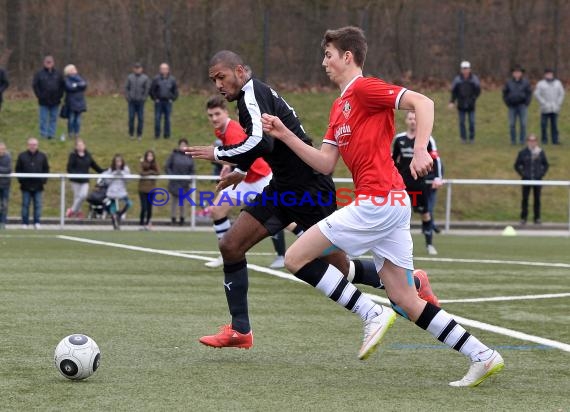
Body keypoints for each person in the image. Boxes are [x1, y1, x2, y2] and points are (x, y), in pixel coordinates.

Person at [261, 26, 503, 387]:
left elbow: (424, 103)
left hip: (378, 202)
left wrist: (421, 149)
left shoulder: (364, 88)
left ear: (347, 56)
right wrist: (284, 134)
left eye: (328, 54)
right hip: (387, 204)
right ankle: (483, 355)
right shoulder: (339, 105)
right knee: (406, 300)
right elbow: (325, 163)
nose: (323, 62)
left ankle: (369, 311)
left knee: (296, 258)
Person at [186, 50, 429, 361]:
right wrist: (240, 172)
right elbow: (267, 145)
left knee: (339, 269)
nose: (218, 84)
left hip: (310, 190)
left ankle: (409, 283)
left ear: (239, 71)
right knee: (231, 246)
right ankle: (240, 330)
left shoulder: (251, 93)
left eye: (221, 77)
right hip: (284, 190)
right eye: (213, 80)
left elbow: (261, 142)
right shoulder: (253, 95)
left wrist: (219, 153)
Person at [202, 95, 289, 269]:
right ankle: (226, 254)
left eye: (217, 114)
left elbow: (243, 155)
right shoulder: (221, 130)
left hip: (260, 177)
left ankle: (286, 255)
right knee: (217, 209)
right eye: (210, 115)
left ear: (226, 113)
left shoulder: (232, 130)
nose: (214, 118)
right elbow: (233, 155)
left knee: (287, 216)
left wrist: (223, 160)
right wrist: (227, 166)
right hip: (245, 178)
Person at [393, 111, 442, 255]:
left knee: (425, 213)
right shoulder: (399, 139)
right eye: (410, 118)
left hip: (420, 183)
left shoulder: (427, 139)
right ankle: (396, 246)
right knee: (396, 214)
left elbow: (435, 159)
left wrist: (437, 177)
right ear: (406, 121)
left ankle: (429, 245)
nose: (413, 121)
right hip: (402, 184)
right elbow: (393, 160)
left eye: (415, 118)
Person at [15, 137, 49, 229]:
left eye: (34, 145)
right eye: (31, 144)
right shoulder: (22, 156)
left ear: (37, 145)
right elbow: (18, 169)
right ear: (28, 145)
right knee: (25, 205)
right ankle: (25, 223)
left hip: (38, 185)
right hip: (25, 185)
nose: (33, 146)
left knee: (38, 205)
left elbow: (46, 169)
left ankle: (37, 222)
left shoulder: (42, 156)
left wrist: (44, 180)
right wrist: (21, 180)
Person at [514, 134, 549, 225]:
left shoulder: (540, 152)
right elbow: (517, 165)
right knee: (525, 199)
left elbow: (546, 165)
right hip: (526, 179)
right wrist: (523, 174)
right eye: (530, 140)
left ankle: (537, 218)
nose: (532, 142)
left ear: (536, 142)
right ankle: (523, 218)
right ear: (527, 142)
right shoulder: (523, 152)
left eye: (534, 141)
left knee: (537, 199)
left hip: (537, 179)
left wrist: (541, 174)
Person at [66, 138, 104, 218]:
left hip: (85, 180)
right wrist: (75, 174)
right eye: (78, 145)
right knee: (77, 197)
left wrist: (103, 171)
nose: (80, 147)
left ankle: (72, 210)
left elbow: (94, 165)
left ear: (84, 146)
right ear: (76, 147)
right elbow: (69, 168)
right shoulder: (73, 155)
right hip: (75, 180)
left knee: (83, 195)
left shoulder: (88, 155)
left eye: (82, 145)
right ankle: (78, 212)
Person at [32, 56, 65, 139]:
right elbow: (35, 85)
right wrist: (39, 96)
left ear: (53, 63)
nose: (48, 63)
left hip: (55, 100)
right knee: (43, 119)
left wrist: (60, 95)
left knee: (53, 119)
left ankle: (51, 135)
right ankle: (43, 134)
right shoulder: (39, 74)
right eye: (47, 62)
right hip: (43, 101)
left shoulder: (58, 73)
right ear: (44, 63)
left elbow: (62, 85)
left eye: (50, 62)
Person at [448, 61, 481, 143]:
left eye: (467, 68)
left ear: (470, 69)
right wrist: (452, 101)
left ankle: (472, 138)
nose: (465, 70)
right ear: (461, 70)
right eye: (463, 69)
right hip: (461, 104)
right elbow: (454, 92)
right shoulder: (457, 80)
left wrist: (473, 98)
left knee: (472, 122)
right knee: (462, 122)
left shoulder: (474, 79)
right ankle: (463, 138)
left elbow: (478, 90)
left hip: (471, 105)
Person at [165, 138, 194, 226]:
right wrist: (172, 176)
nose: (183, 147)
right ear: (179, 146)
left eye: (185, 145)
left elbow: (192, 170)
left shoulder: (189, 156)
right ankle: (173, 218)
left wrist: (189, 179)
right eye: (181, 145)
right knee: (174, 201)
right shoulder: (173, 155)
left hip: (184, 183)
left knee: (183, 202)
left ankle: (182, 218)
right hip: (175, 182)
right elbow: (167, 167)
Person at [503, 65, 532, 145]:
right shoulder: (508, 82)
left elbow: (529, 93)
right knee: (512, 124)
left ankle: (522, 141)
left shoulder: (526, 82)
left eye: (518, 72)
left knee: (523, 124)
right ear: (513, 73)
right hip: (512, 106)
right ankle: (513, 141)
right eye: (515, 72)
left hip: (522, 106)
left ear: (521, 73)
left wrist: (527, 103)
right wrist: (507, 102)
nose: (517, 74)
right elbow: (504, 93)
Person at [534, 68, 565, 145]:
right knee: (544, 125)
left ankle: (555, 140)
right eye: (547, 74)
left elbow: (561, 93)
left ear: (552, 74)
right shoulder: (541, 83)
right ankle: (544, 140)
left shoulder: (558, 83)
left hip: (555, 108)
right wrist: (543, 103)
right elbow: (537, 94)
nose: (549, 75)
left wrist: (558, 103)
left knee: (554, 125)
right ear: (545, 75)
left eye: (550, 74)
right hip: (544, 108)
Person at [101, 154, 132, 230]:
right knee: (113, 208)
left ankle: (120, 215)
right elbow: (107, 182)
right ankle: (115, 224)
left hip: (122, 192)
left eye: (120, 161)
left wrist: (122, 174)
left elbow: (129, 180)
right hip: (112, 192)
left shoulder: (126, 169)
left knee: (129, 203)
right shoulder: (110, 170)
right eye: (117, 161)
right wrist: (113, 174)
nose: (118, 163)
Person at [150, 63, 178, 139]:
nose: (164, 70)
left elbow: (175, 91)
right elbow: (152, 90)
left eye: (165, 69)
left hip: (168, 102)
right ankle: (157, 135)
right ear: (160, 70)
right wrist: (155, 99)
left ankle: (167, 135)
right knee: (157, 119)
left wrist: (172, 99)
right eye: (162, 69)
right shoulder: (156, 79)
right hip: (158, 102)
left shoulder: (172, 79)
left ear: (168, 70)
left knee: (167, 119)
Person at [125, 62, 150, 140]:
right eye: (136, 68)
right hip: (131, 101)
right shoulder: (130, 77)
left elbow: (147, 89)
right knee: (131, 118)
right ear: (133, 69)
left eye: (138, 68)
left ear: (141, 69)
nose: (137, 70)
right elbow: (126, 88)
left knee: (140, 119)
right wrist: (128, 97)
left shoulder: (145, 78)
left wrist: (144, 98)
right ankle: (131, 134)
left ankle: (139, 135)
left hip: (140, 102)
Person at [63, 64, 87, 139]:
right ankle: (70, 133)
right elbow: (69, 87)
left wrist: (75, 85)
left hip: (80, 101)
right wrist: (78, 86)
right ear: (69, 71)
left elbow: (84, 85)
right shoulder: (67, 79)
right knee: (71, 119)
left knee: (78, 119)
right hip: (71, 101)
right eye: (73, 69)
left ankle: (77, 133)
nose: (75, 69)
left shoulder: (79, 78)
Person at [138, 150, 159, 230]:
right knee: (144, 207)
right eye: (148, 156)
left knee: (150, 208)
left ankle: (148, 223)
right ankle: (141, 222)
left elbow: (158, 172)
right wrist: (150, 172)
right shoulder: (142, 163)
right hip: (142, 189)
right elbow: (141, 173)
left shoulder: (154, 164)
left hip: (152, 190)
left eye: (151, 156)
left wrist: (151, 171)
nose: (150, 157)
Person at [0, 142, 11, 229]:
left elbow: (8, 169)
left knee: (4, 204)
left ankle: (3, 222)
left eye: (3, 149)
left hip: (5, 185)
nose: (1, 151)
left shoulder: (8, 157)